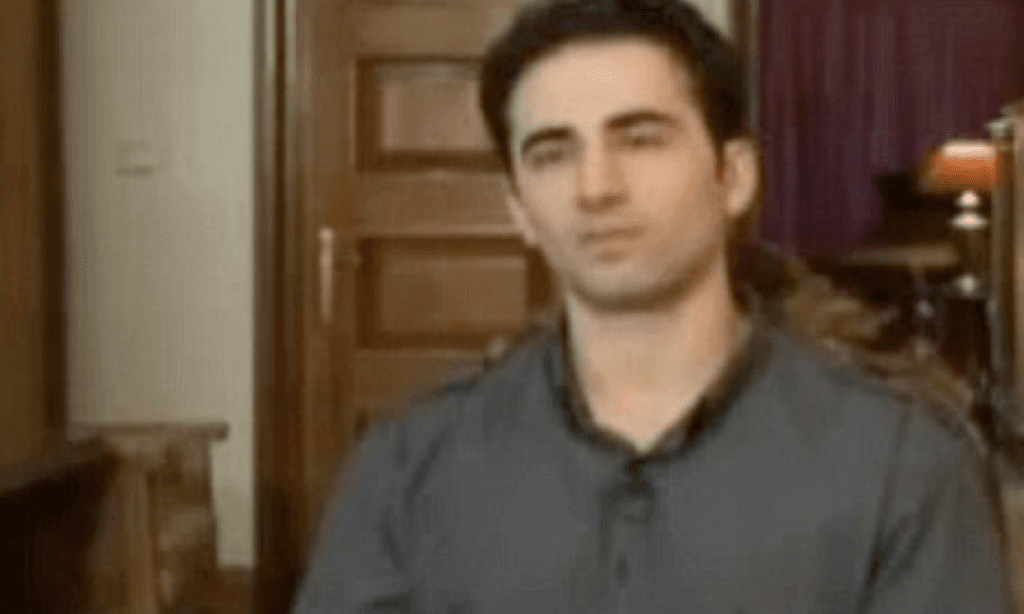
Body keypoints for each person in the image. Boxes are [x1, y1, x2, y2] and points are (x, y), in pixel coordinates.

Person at [292, 0, 1011, 611]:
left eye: (639, 139)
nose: (596, 187)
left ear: (733, 177)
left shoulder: (901, 466)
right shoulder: (407, 466)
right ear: (519, 209)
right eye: (552, 152)